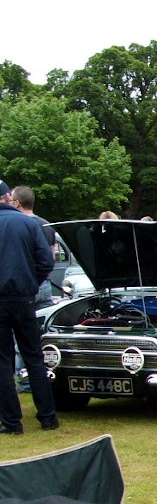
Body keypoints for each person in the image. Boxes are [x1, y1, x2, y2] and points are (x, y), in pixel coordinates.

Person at [0, 179, 59, 434]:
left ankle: (12, 422)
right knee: (33, 356)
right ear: (7, 198)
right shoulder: (28, 223)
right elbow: (46, 260)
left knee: (2, 361)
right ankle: (47, 417)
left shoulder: (25, 222)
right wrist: (31, 284)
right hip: (24, 298)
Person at [11, 187, 55, 308]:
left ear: (17, 203)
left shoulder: (18, 225)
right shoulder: (47, 225)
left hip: (24, 286)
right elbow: (51, 257)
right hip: (45, 284)